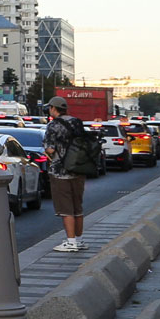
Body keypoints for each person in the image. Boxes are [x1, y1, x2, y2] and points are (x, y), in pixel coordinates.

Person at [43, 96, 102, 253]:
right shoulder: (77, 122)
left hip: (60, 171)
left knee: (65, 208)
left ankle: (70, 242)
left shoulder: (53, 125)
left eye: (50, 108)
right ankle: (79, 239)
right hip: (79, 169)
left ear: (53, 109)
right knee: (77, 206)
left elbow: (50, 149)